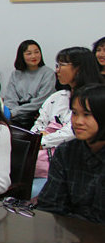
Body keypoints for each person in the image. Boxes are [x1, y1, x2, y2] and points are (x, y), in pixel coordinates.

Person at [31, 47, 103, 182]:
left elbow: (71, 132)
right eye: (57, 65)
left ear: (79, 68)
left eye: (62, 65)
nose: (57, 70)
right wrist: (35, 139)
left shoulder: (97, 99)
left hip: (75, 159)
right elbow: (39, 124)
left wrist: (41, 141)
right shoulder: (58, 96)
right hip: (43, 155)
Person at [37, 84, 105, 224]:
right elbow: (50, 204)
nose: (78, 121)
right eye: (74, 113)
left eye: (87, 114)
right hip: (70, 231)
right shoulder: (66, 152)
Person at [3, 39, 56, 129]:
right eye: (29, 53)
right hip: (16, 115)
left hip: (35, 113)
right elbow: (10, 98)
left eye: (36, 52)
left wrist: (15, 112)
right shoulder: (16, 74)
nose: (34, 56)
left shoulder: (48, 73)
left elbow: (40, 101)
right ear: (21, 56)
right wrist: (10, 113)